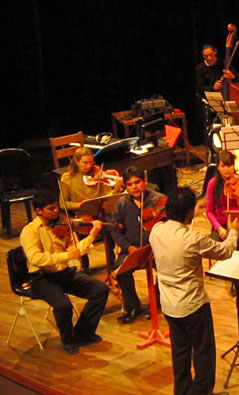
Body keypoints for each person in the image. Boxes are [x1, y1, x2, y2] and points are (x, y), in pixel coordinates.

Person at [150, 187, 238, 395]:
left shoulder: (156, 230)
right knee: (203, 351)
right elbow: (225, 251)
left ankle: (182, 394)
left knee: (179, 350)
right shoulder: (192, 239)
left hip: (169, 303)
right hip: (192, 304)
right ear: (189, 212)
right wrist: (234, 231)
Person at [19, 190, 110, 354]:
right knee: (63, 305)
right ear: (39, 211)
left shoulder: (63, 225)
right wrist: (66, 255)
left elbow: (76, 250)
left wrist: (92, 234)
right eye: (51, 209)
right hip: (41, 278)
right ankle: (67, 339)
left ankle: (83, 333)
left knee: (100, 290)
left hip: (64, 273)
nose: (56, 212)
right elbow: (35, 258)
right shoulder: (30, 231)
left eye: (56, 208)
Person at [111, 167, 166, 324]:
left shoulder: (159, 200)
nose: (134, 187)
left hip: (157, 248)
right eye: (129, 184)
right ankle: (133, 306)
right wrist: (128, 247)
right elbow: (115, 231)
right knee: (121, 271)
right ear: (125, 186)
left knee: (167, 268)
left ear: (145, 182)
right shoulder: (121, 204)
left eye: (137, 182)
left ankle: (157, 302)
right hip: (132, 248)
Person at [59, 146, 123, 271]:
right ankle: (85, 264)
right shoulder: (67, 178)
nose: (89, 166)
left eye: (91, 162)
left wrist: (116, 189)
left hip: (100, 210)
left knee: (110, 223)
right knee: (84, 224)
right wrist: (81, 204)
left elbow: (107, 197)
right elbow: (63, 203)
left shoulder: (97, 174)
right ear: (77, 162)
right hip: (83, 211)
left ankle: (111, 262)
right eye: (85, 162)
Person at [205, 150, 239, 252]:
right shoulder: (212, 184)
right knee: (217, 245)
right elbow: (209, 212)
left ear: (234, 166)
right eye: (223, 166)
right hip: (221, 223)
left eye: (229, 166)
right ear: (218, 167)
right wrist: (219, 228)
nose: (227, 169)